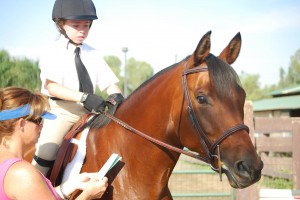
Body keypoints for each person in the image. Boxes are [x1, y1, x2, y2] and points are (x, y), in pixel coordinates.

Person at [32, 0, 124, 175]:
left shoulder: (93, 53)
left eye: (87, 25)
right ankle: (34, 187)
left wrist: (118, 98)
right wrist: (83, 97)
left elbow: (109, 84)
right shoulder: (54, 51)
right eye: (76, 25)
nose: (82, 30)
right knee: (46, 152)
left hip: (91, 112)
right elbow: (53, 87)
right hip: (61, 111)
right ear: (61, 24)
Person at [0, 87, 108, 200]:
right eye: (38, 120)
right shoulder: (22, 174)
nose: (42, 125)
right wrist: (88, 195)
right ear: (21, 124)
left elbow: (35, 194)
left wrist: (71, 184)